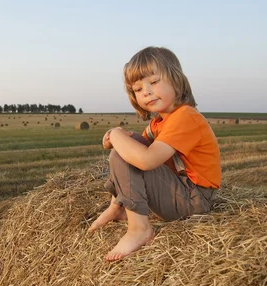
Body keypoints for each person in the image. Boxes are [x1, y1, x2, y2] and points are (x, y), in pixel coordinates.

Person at [88, 46, 221, 263]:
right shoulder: (158, 124)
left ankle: (139, 229)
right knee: (128, 149)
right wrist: (124, 139)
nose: (146, 92)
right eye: (138, 89)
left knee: (126, 152)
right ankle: (118, 207)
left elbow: (146, 161)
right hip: (180, 191)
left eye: (154, 82)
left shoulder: (186, 117)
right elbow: (133, 157)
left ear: (176, 80)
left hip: (194, 199)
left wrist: (116, 134)